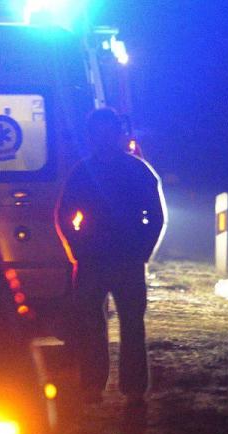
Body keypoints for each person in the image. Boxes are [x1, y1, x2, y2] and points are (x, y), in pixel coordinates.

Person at [55, 108, 167, 405]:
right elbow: (154, 218)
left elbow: (65, 215)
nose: (103, 138)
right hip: (109, 259)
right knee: (118, 325)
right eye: (99, 133)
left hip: (105, 259)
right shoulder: (136, 170)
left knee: (114, 325)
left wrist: (77, 247)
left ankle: (105, 387)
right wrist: (142, 249)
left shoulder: (85, 171)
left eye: (107, 132)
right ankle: (126, 390)